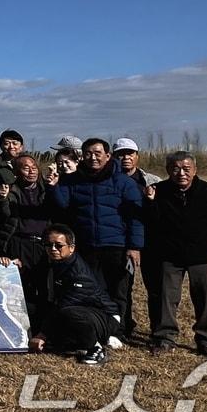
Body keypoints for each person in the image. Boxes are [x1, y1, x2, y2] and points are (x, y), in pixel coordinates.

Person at [144, 152, 207, 355]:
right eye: (176, 168)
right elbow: (149, 222)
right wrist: (150, 202)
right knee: (166, 298)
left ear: (195, 170)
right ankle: (164, 338)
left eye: (187, 168)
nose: (181, 173)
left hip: (205, 256)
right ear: (168, 170)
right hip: (169, 256)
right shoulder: (156, 192)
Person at [52, 138, 144, 341]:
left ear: (108, 156)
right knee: (91, 290)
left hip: (117, 246)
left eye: (97, 153)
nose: (93, 157)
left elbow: (136, 218)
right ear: (81, 156)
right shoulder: (73, 180)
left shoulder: (124, 182)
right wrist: (54, 186)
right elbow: (62, 204)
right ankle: (98, 328)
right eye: (88, 153)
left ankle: (119, 331)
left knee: (119, 291)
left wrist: (135, 246)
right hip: (87, 246)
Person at [1, 224, 119, 365]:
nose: (53, 249)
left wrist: (42, 335)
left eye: (59, 245)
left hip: (103, 315)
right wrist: (18, 269)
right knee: (29, 307)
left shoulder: (79, 275)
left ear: (71, 248)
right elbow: (35, 281)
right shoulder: (50, 261)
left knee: (68, 313)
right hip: (69, 310)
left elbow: (62, 307)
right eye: (48, 245)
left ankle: (94, 347)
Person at [0, 153, 57, 269]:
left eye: (34, 168)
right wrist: (3, 199)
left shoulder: (46, 190)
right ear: (16, 172)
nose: (32, 171)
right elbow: (6, 214)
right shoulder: (10, 191)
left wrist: (52, 188)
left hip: (43, 244)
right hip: (19, 244)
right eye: (26, 168)